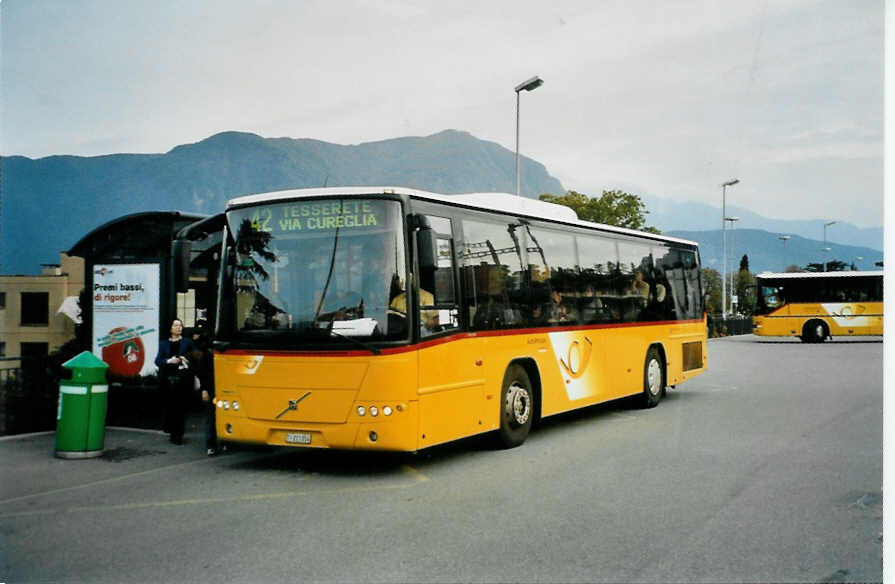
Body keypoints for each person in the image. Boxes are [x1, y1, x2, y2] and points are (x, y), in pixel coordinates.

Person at [154, 318, 196, 445]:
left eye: (180, 326)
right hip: (167, 380)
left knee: (180, 408)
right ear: (171, 328)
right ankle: (172, 432)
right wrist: (169, 361)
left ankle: (178, 435)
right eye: (176, 325)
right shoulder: (163, 344)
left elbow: (195, 356)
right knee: (170, 407)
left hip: (182, 380)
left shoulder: (188, 342)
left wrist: (185, 359)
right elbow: (157, 361)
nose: (179, 328)